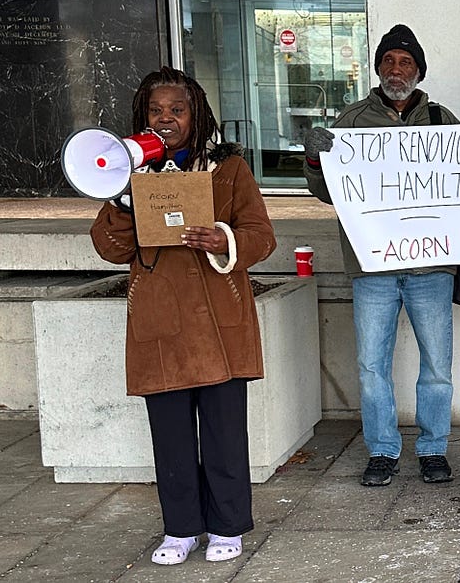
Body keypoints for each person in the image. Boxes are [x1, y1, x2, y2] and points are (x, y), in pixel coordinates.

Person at [89, 67, 277, 566]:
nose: (166, 118)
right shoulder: (127, 173)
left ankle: (227, 526)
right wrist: (123, 200)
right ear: (141, 116)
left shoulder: (229, 169)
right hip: (159, 320)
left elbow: (261, 235)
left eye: (177, 109)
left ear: (196, 114)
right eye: (156, 110)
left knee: (223, 432)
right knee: (169, 435)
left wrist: (225, 240)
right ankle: (180, 529)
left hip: (218, 318)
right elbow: (110, 248)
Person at [302, 25, 460, 487]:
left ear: (419, 70)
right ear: (377, 69)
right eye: (389, 60)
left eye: (406, 62)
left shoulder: (442, 120)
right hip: (372, 265)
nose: (397, 69)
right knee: (372, 365)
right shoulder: (350, 121)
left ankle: (433, 448)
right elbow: (326, 192)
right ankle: (383, 450)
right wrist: (314, 161)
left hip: (431, 264)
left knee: (437, 364)